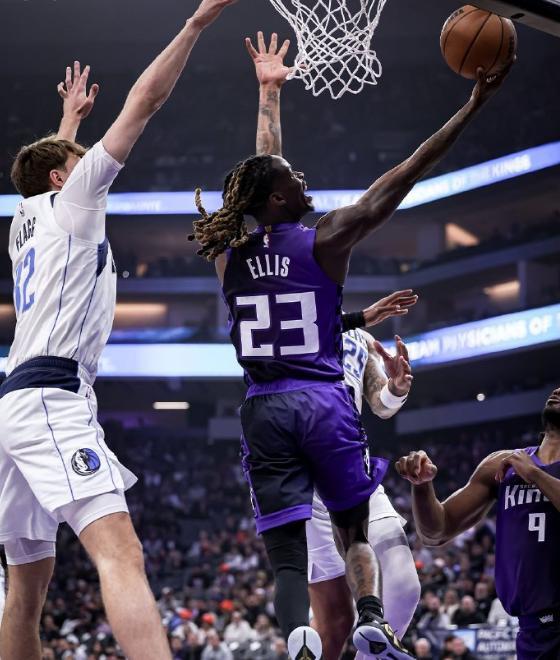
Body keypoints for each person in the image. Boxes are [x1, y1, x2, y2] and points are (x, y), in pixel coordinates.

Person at [190, 25, 511, 659]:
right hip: (321, 400)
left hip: (264, 407)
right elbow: (407, 172)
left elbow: (263, 171)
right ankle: (370, 616)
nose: (302, 178)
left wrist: (269, 97)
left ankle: (297, 636)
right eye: (294, 178)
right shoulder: (326, 239)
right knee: (354, 528)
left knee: (285, 555)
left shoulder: (228, 252)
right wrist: (472, 106)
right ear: (280, 196)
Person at [0, 2, 237, 660]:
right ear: (63, 178)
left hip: (15, 401)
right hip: (52, 397)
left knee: (27, 587)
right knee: (121, 553)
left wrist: (68, 124)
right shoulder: (74, 200)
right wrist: (195, 24)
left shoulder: (25, 220)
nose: (91, 167)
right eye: (79, 160)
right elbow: (143, 103)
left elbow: (42, 172)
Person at [242, 33, 422, 660]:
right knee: (338, 612)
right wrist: (269, 98)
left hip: (321, 430)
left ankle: (369, 641)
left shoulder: (357, 335)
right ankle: (350, 639)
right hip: (317, 434)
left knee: (402, 579)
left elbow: (381, 406)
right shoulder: (318, 287)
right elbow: (266, 184)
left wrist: (396, 387)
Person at [396, 386, 560, 659]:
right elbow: (436, 532)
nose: (557, 390)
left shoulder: (524, 468)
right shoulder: (502, 465)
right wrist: (422, 485)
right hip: (532, 632)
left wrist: (535, 474)